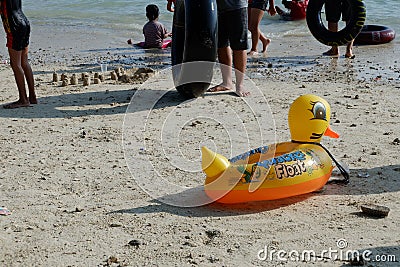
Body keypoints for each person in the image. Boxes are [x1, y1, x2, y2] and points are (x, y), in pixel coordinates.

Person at [208, 0, 250, 97]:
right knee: (221, 44)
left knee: (239, 45)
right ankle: (227, 82)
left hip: (237, 6)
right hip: (217, 7)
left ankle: (240, 85)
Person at [0, 0, 36, 109]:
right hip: (24, 22)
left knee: (15, 64)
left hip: (14, 25)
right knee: (24, 62)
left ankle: (23, 99)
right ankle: (32, 97)